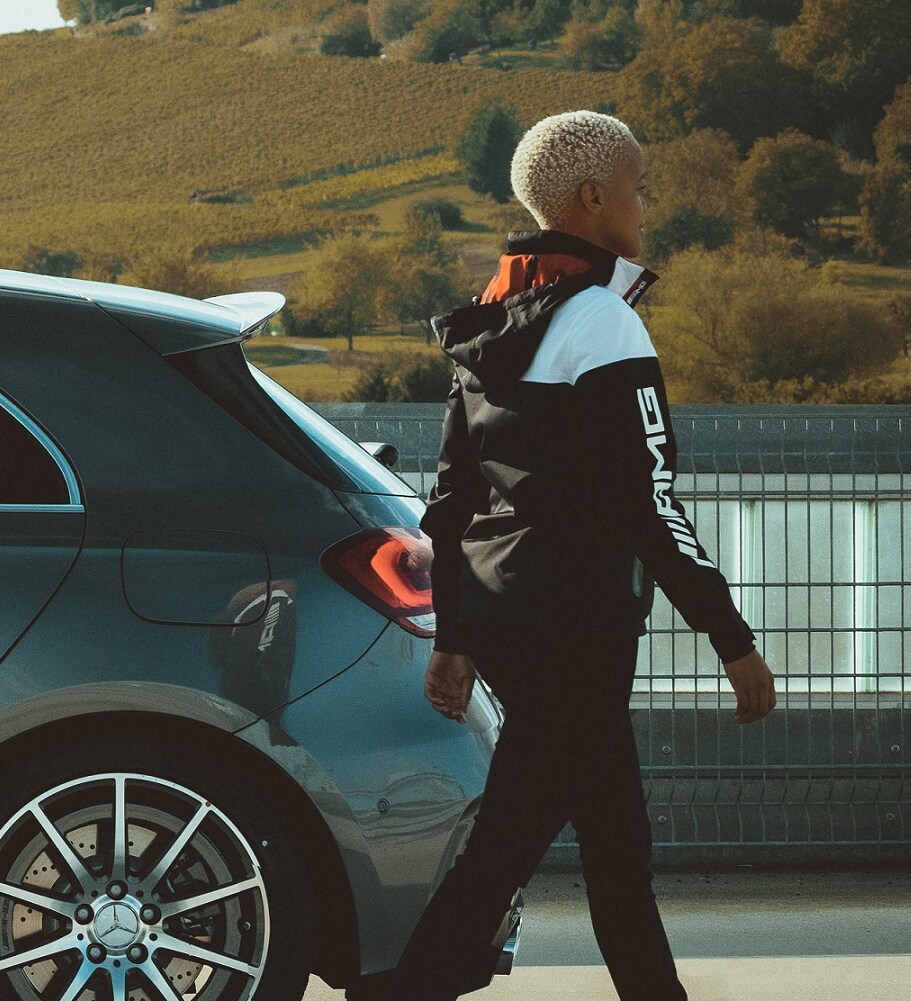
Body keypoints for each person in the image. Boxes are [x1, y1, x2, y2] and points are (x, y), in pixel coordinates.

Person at [348, 110, 776, 1001]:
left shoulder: (493, 321)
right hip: (578, 625)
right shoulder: (604, 325)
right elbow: (651, 503)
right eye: (637, 186)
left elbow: (452, 500)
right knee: (519, 841)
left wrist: (456, 634)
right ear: (590, 198)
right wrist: (731, 637)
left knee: (613, 843)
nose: (646, 203)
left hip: (511, 620)